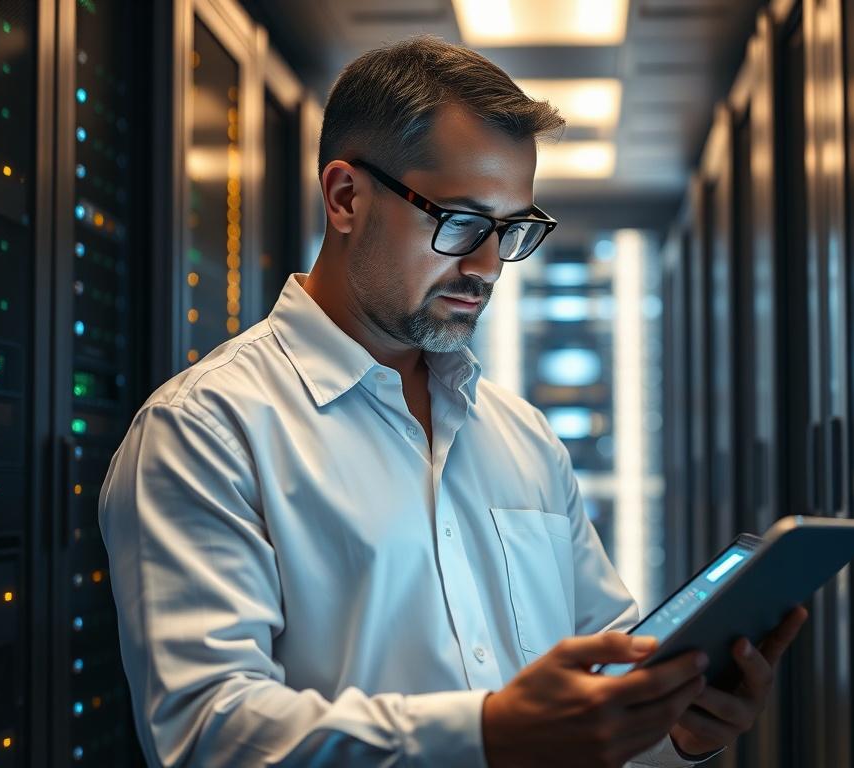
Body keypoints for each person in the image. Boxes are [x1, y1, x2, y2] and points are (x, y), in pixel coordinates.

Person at [99, 35, 807, 768]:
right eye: (463, 222)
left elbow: (606, 687)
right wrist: (487, 734)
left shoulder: (522, 436)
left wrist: (676, 728)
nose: (488, 266)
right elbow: (211, 732)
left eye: (511, 230)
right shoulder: (205, 431)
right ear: (346, 197)